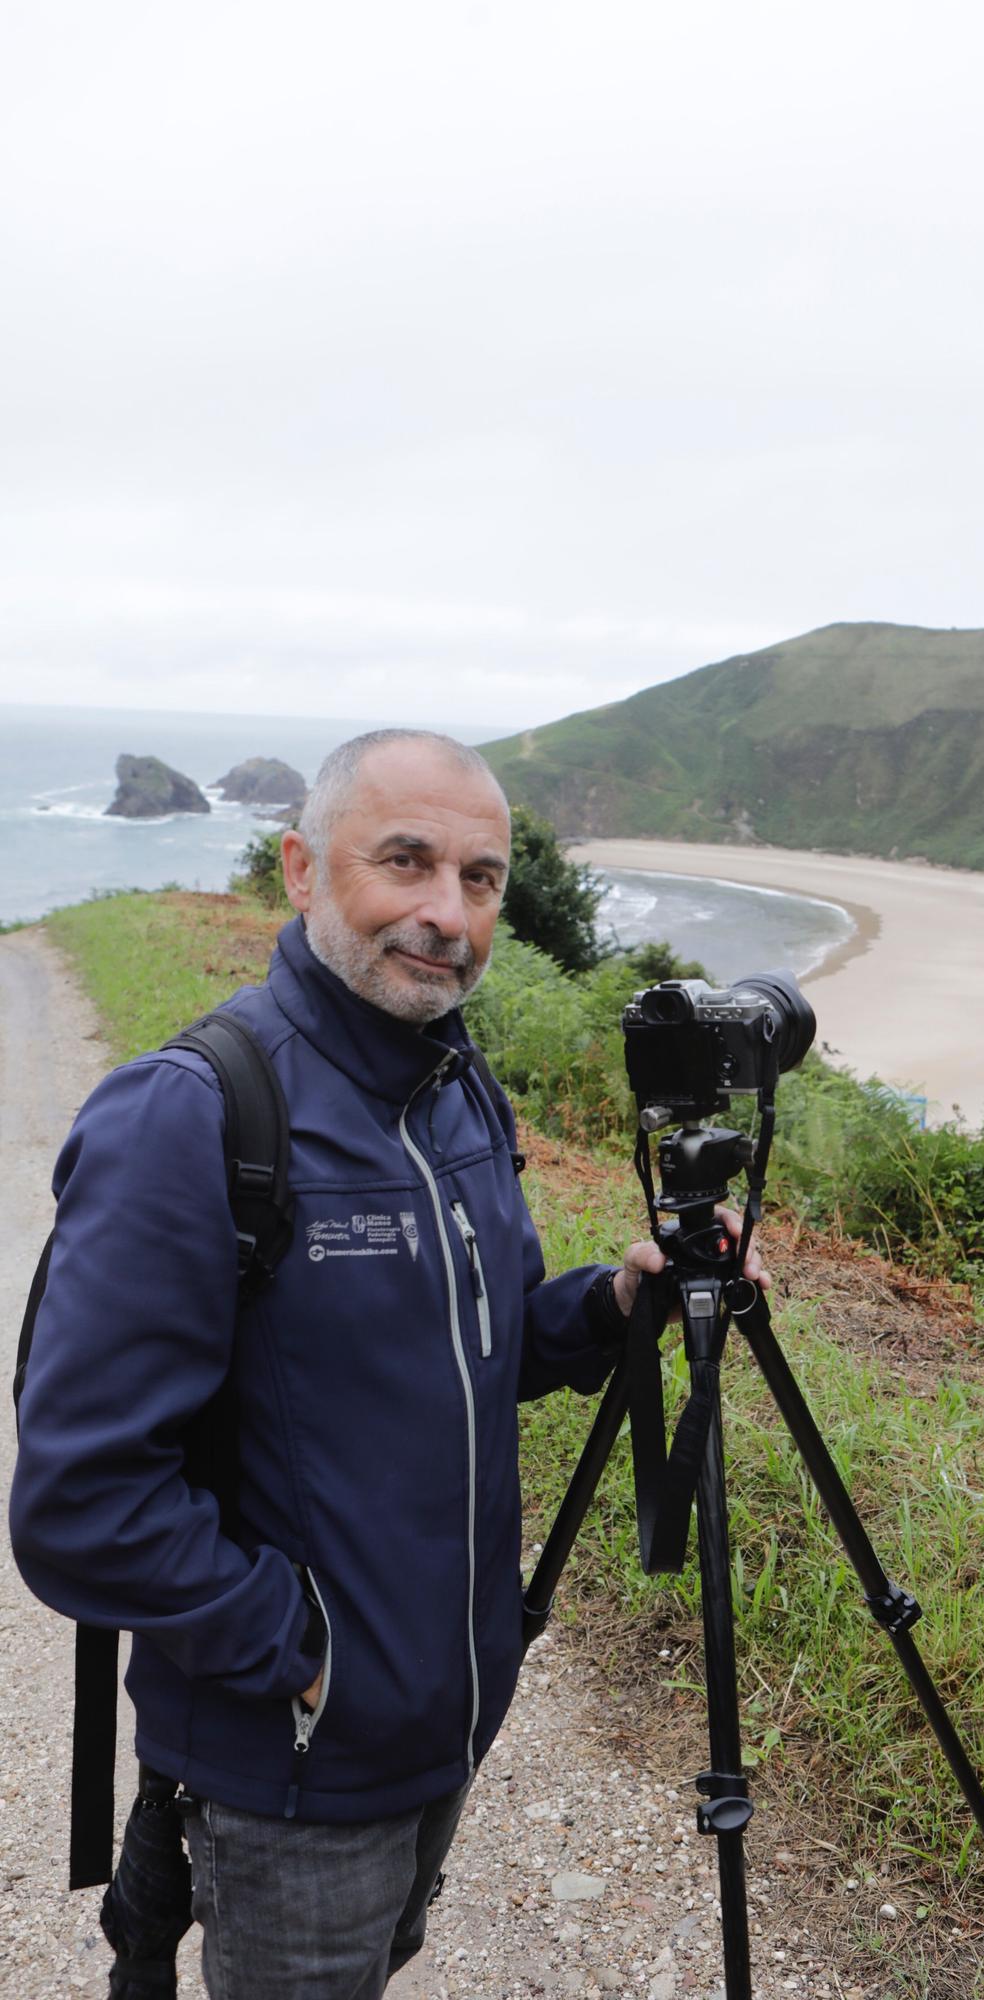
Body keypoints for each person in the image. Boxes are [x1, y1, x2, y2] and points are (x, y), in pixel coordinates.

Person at [10, 728, 766, 1999]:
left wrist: (613, 1303)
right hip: (295, 1771)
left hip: (448, 1723)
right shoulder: (190, 1115)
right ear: (301, 868)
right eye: (404, 860)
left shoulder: (459, 1089)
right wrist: (307, 1655)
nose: (445, 912)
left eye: (480, 878)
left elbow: (470, 1346)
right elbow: (78, 1508)